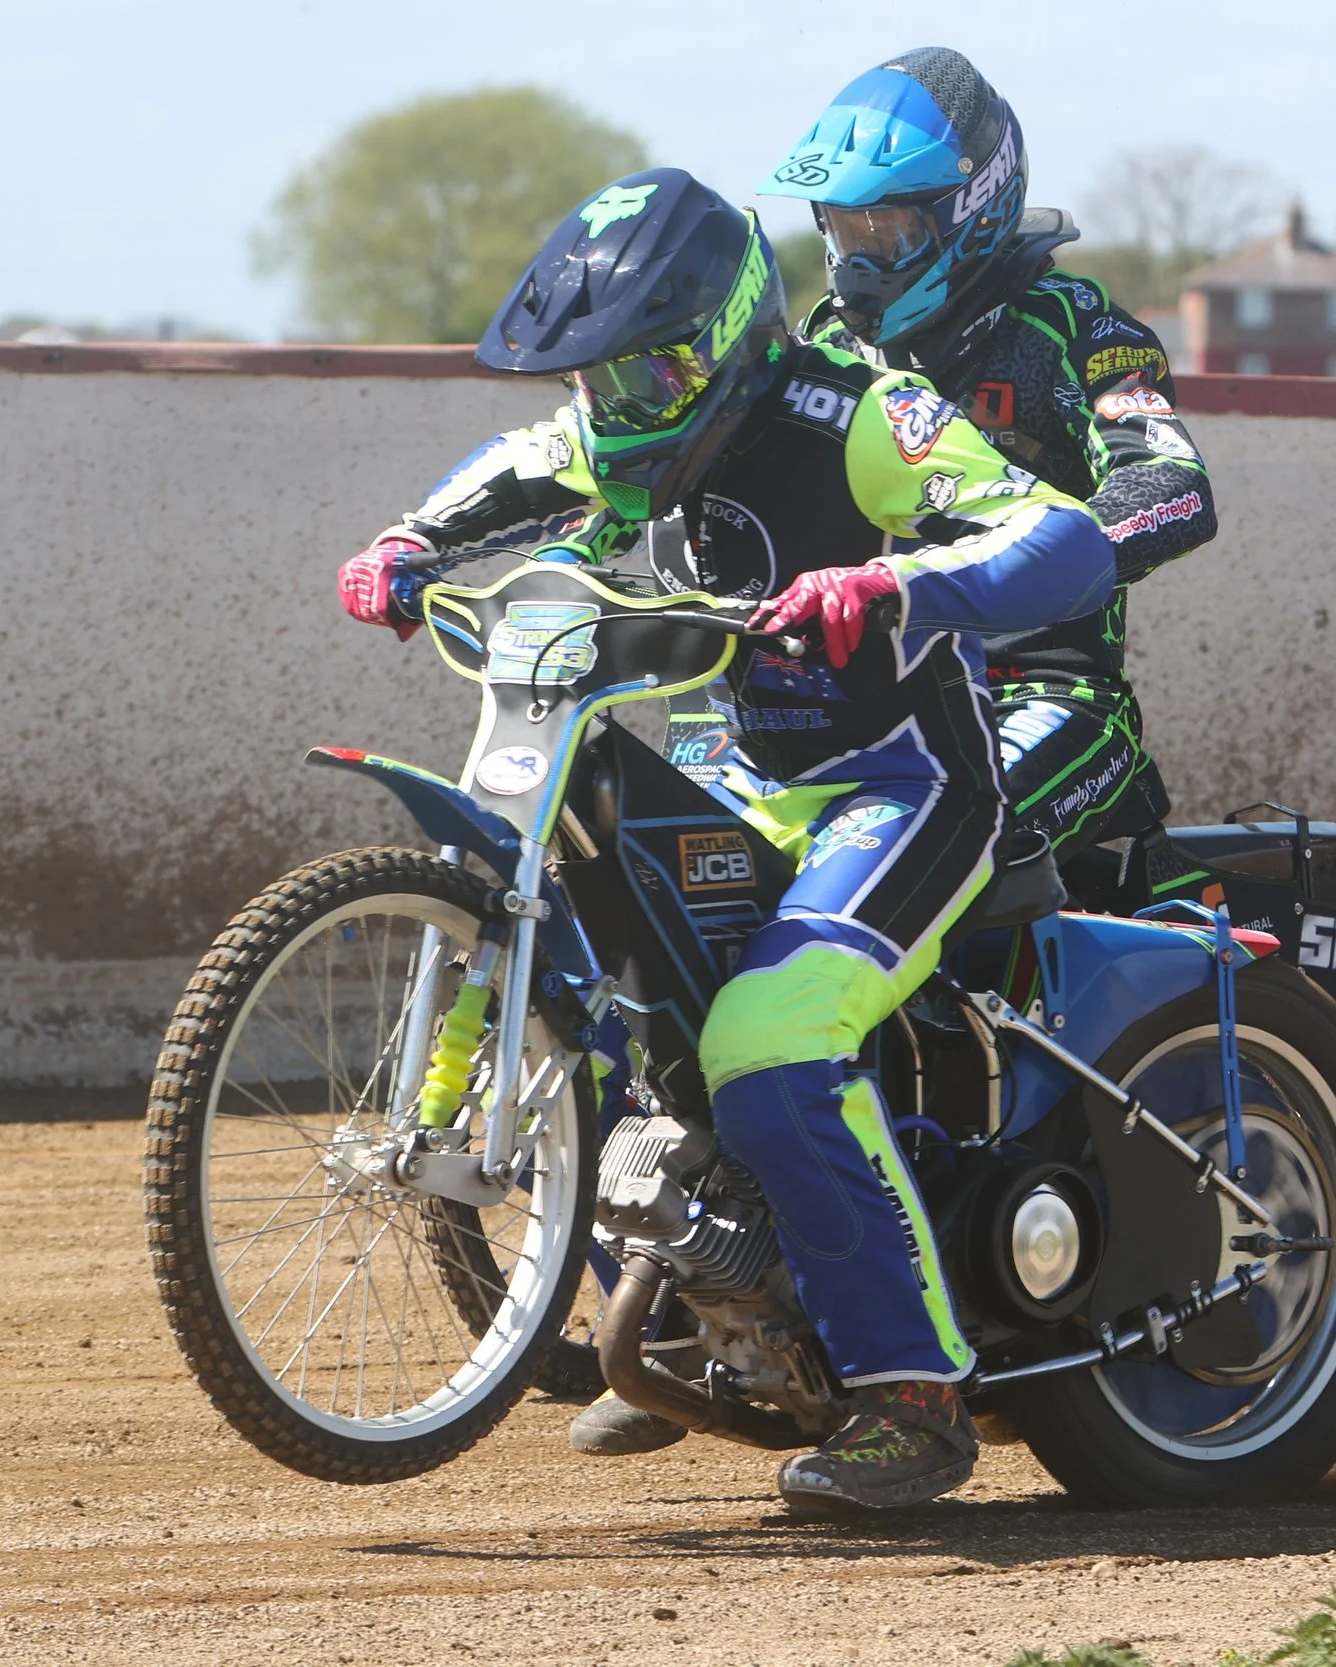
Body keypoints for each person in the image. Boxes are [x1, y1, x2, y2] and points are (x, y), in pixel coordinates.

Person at [335, 167, 1110, 1511]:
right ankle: (715, 1324)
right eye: (603, 383)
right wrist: (404, 544)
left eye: (647, 377)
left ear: (728, 333)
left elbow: (1065, 537)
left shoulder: (863, 415)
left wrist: (898, 581)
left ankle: (911, 1395)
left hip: (906, 782)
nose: (617, 409)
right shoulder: (616, 419)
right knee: (634, 986)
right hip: (743, 771)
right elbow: (521, 463)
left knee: (765, 1038)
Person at [760, 47, 1219, 860]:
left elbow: (1173, 483)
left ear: (972, 206)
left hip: (1047, 692)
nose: (859, 263)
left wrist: (1031, 558)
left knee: (931, 851)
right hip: (866, 697)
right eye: (842, 229)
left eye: (888, 231)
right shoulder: (826, 345)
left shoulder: (1075, 328)